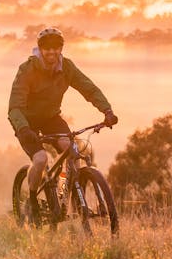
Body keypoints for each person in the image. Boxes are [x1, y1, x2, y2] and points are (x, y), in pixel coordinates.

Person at [8, 27, 118, 225]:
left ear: (61, 49)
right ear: (40, 50)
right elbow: (15, 107)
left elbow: (88, 88)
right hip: (26, 121)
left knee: (72, 150)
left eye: (56, 48)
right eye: (47, 49)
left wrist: (107, 111)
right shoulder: (27, 70)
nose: (51, 52)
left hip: (51, 118)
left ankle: (72, 199)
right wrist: (23, 128)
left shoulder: (66, 67)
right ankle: (32, 200)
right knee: (40, 159)